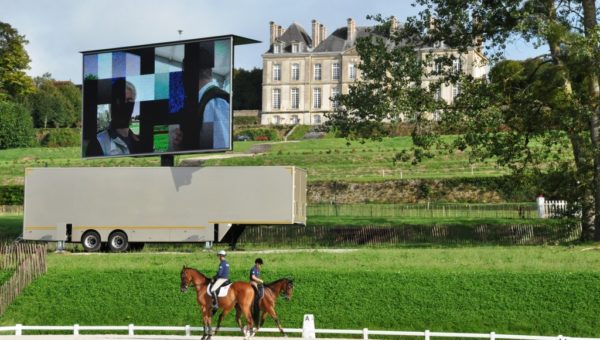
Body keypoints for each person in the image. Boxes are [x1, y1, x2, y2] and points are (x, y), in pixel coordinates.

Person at [170, 42, 230, 151]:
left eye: (184, 72)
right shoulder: (205, 100)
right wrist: (182, 144)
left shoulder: (213, 101)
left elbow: (219, 148)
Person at [87, 80, 139, 156]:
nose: (124, 105)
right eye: (119, 100)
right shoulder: (97, 143)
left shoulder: (138, 140)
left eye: (129, 100)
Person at [210, 249, 230, 314]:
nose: (218, 257)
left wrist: (214, 277)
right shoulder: (227, 263)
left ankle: (216, 304)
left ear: (221, 256)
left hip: (222, 279)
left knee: (212, 290)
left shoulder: (222, 263)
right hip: (227, 278)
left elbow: (220, 273)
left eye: (219, 256)